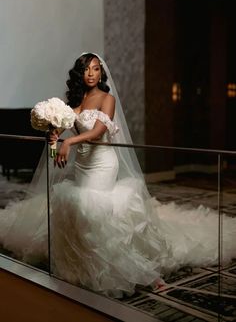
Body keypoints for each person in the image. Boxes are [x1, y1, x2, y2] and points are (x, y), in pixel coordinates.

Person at [0, 53, 236, 299]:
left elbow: (99, 131)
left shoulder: (107, 99)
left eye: (95, 69)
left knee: (94, 210)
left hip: (102, 164)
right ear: (80, 74)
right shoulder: (74, 103)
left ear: (101, 73)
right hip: (82, 165)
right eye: (86, 70)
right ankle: (84, 263)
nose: (91, 74)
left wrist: (69, 140)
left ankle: (141, 271)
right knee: (82, 211)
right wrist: (53, 137)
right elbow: (57, 138)